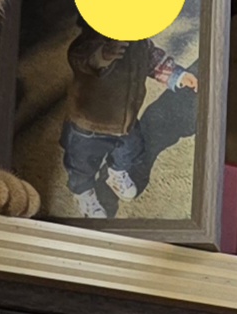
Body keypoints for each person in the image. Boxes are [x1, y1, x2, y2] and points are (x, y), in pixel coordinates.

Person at [61, 26, 197, 218]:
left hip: (126, 120)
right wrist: (102, 55)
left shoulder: (138, 41)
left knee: (130, 150)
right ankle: (83, 192)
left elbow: (153, 59)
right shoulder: (92, 38)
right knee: (82, 164)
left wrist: (178, 75)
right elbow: (78, 57)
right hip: (90, 124)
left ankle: (117, 172)